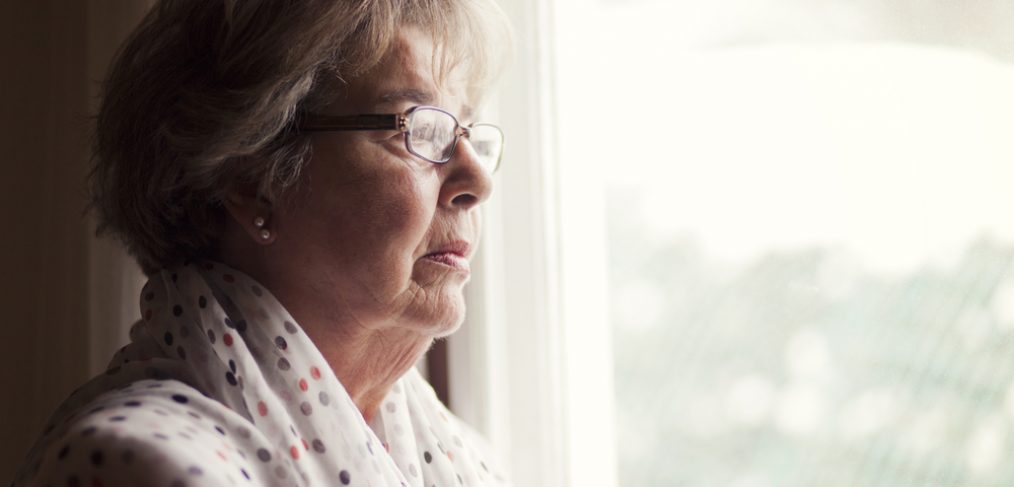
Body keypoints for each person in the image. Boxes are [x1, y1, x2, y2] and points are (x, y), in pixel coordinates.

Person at [12, 1, 510, 485]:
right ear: (253, 180)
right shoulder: (143, 466)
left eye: (464, 130)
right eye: (421, 129)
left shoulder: (459, 456)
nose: (477, 179)